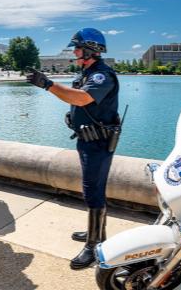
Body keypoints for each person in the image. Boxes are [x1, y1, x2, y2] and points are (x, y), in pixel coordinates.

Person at [26, 28, 120, 269]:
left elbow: (81, 98)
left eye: (78, 48)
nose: (75, 52)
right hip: (87, 140)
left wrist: (47, 84)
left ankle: (93, 245)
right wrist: (73, 117)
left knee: (92, 190)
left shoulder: (102, 75)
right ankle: (97, 232)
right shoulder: (87, 73)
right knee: (93, 188)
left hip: (98, 143)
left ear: (90, 50)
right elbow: (76, 100)